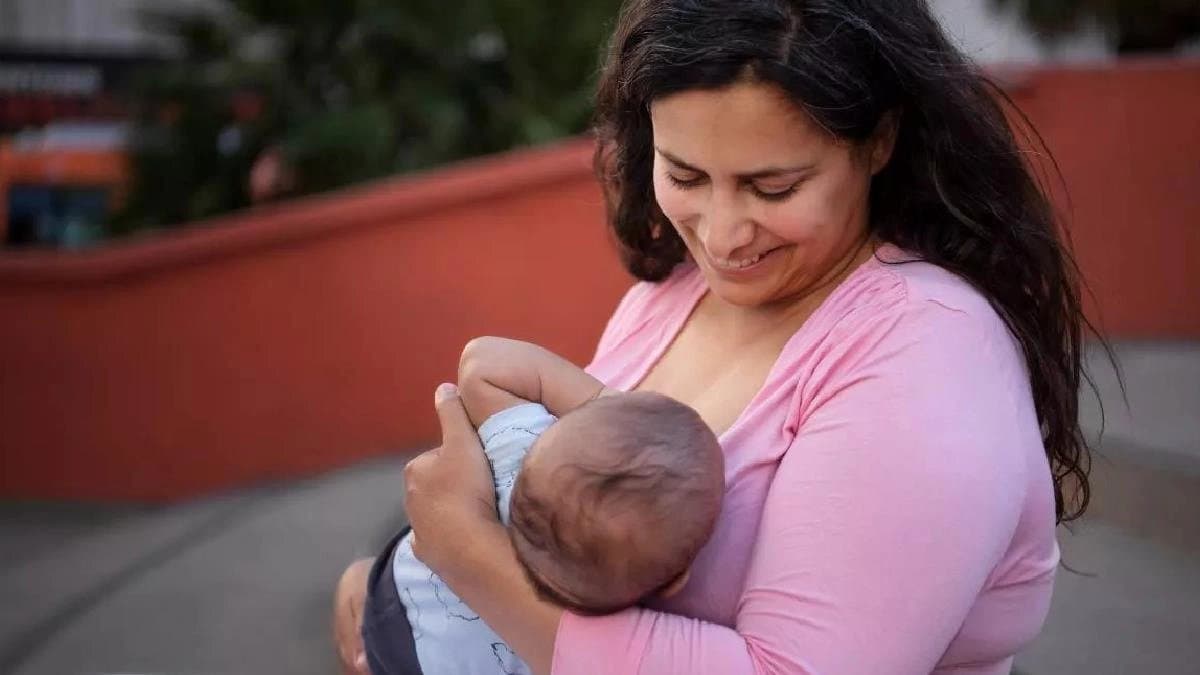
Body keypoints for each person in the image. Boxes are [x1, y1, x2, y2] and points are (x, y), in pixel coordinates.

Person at [335, 1, 1099, 672]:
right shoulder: (672, 294)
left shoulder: (927, 355)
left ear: (879, 141)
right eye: (687, 176)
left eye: (773, 187)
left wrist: (470, 563)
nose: (724, 235)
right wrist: (404, 594)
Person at [360, 337, 724, 675]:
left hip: (398, 592)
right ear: (674, 583)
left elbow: (483, 362)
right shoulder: (612, 623)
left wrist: (602, 399)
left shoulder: (522, 445)